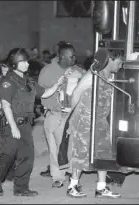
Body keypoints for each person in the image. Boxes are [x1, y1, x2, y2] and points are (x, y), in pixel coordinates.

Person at [0, 48, 65, 197]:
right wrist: (13, 127)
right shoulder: (8, 81)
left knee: (27, 157)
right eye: (22, 62)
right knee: (7, 156)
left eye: (26, 61)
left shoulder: (28, 81)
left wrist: (57, 84)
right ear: (14, 64)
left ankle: (21, 188)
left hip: (25, 125)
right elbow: (6, 105)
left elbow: (45, 93)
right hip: (11, 124)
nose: (26, 64)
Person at [66, 51, 124, 198]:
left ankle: (101, 187)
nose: (121, 65)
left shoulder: (108, 77)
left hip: (101, 121)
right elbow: (76, 93)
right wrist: (70, 116)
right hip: (86, 120)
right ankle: (73, 186)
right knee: (81, 153)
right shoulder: (92, 75)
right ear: (109, 60)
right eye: (118, 62)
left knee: (104, 153)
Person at [38, 43, 85, 188]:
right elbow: (41, 93)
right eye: (71, 57)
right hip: (54, 114)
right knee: (54, 148)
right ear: (63, 57)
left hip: (71, 116)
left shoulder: (77, 70)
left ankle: (73, 175)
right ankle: (58, 177)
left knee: (70, 148)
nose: (74, 59)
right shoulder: (48, 70)